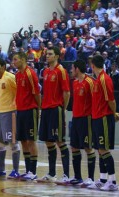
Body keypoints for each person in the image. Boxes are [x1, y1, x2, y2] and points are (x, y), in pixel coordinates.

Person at [88, 54, 119, 191]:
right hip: (97, 117)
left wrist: (113, 113)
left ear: (92, 65)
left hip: (103, 118)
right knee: (99, 149)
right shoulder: (98, 79)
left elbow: (111, 100)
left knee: (104, 149)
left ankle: (112, 181)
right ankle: (102, 179)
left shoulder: (104, 79)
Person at [38, 46, 70, 183]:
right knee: (48, 141)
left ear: (57, 56)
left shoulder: (61, 71)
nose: (47, 56)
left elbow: (67, 92)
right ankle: (51, 173)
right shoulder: (45, 71)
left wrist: (62, 108)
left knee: (60, 141)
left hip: (56, 109)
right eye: (47, 53)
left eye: (50, 54)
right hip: (45, 109)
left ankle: (66, 175)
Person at [0, 58, 20, 178]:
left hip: (10, 112)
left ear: (3, 66)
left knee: (13, 142)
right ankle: (1, 170)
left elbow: (20, 91)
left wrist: (15, 105)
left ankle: (15, 170)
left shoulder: (11, 77)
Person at [13, 52, 41, 180]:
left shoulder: (30, 73)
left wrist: (38, 109)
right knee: (23, 140)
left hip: (30, 110)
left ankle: (33, 171)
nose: (14, 62)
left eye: (16, 59)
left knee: (31, 140)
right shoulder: (17, 75)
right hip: (21, 110)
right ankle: (28, 169)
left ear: (23, 60)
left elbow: (36, 93)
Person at [69, 59, 96, 187]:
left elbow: (95, 100)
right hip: (76, 118)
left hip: (86, 118)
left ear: (77, 69)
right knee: (74, 147)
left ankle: (90, 178)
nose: (71, 70)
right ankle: (77, 177)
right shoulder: (74, 83)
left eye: (72, 68)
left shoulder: (90, 82)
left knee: (88, 147)